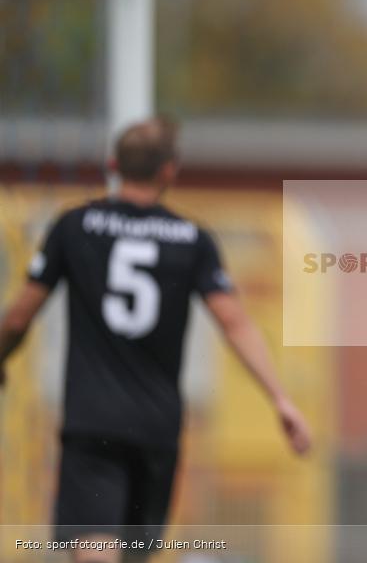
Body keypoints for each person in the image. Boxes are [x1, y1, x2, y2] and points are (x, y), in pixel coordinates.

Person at [0, 118, 312, 563]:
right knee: (132, 553)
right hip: (157, 426)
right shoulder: (192, 240)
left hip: (92, 420)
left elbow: (18, 316)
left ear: (113, 165)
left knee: (93, 547)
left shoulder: (74, 226)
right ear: (169, 170)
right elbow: (235, 322)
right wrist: (279, 396)